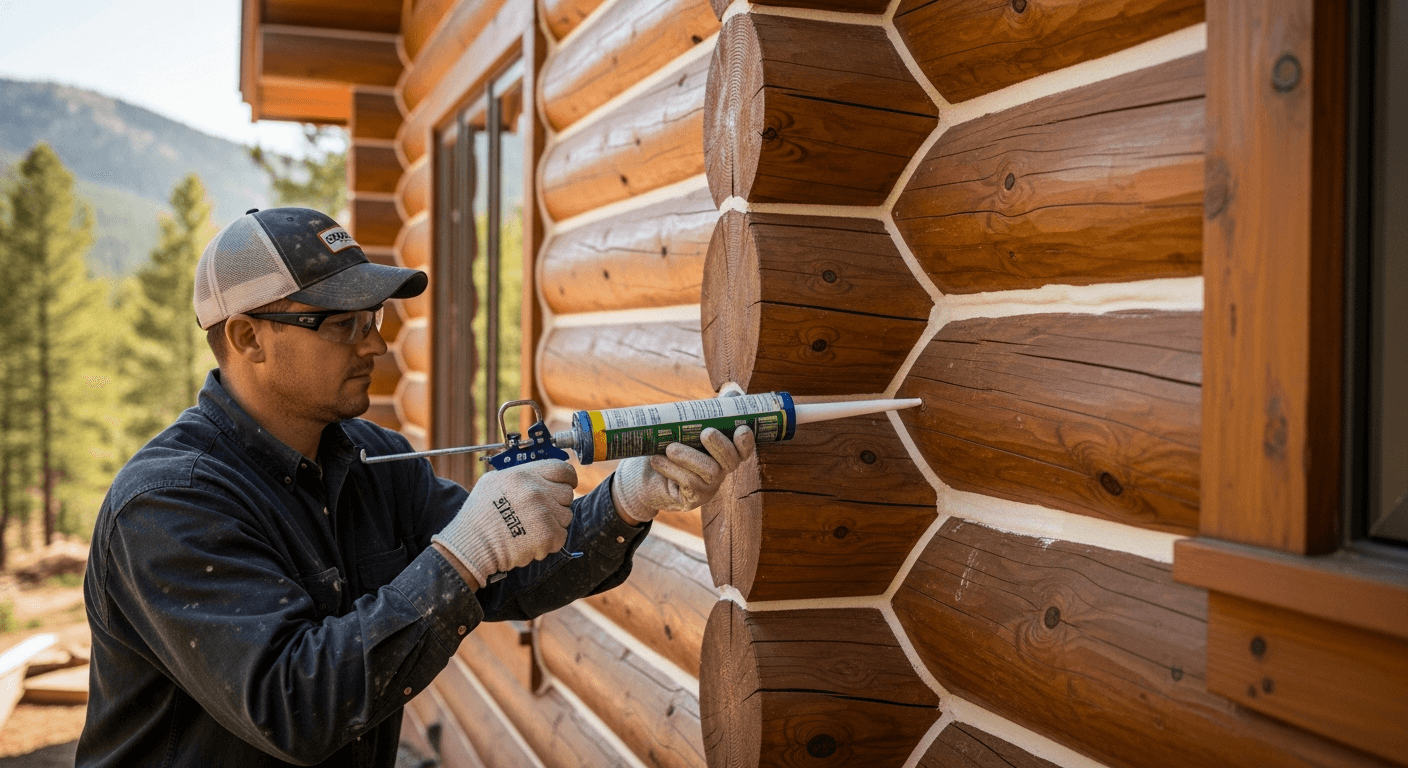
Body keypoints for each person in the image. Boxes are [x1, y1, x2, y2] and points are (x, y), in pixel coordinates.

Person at [76, 207, 755, 767]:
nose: (376, 346)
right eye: (343, 325)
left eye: (374, 319)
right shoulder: (169, 504)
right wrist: (461, 554)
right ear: (247, 337)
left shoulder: (372, 461)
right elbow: (295, 707)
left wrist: (629, 498)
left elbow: (510, 572)